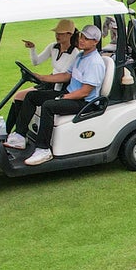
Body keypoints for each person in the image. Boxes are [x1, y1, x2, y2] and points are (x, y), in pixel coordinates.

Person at [22, 25, 108, 166]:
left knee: (48, 106)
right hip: (71, 93)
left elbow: (85, 91)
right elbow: (66, 76)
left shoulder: (95, 63)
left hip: (84, 102)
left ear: (95, 42)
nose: (81, 40)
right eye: (81, 37)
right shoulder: (81, 56)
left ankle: (43, 149)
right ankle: (20, 136)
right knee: (32, 96)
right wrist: (41, 77)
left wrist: (64, 97)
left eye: (86, 39)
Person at [3, 20, 80, 149]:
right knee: (18, 96)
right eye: (56, 33)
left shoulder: (74, 53)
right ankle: (11, 132)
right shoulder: (53, 47)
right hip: (49, 82)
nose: (57, 35)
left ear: (69, 34)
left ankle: (19, 134)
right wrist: (32, 48)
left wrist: (41, 77)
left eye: (61, 33)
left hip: (62, 87)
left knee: (29, 96)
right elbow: (36, 62)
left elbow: (64, 77)